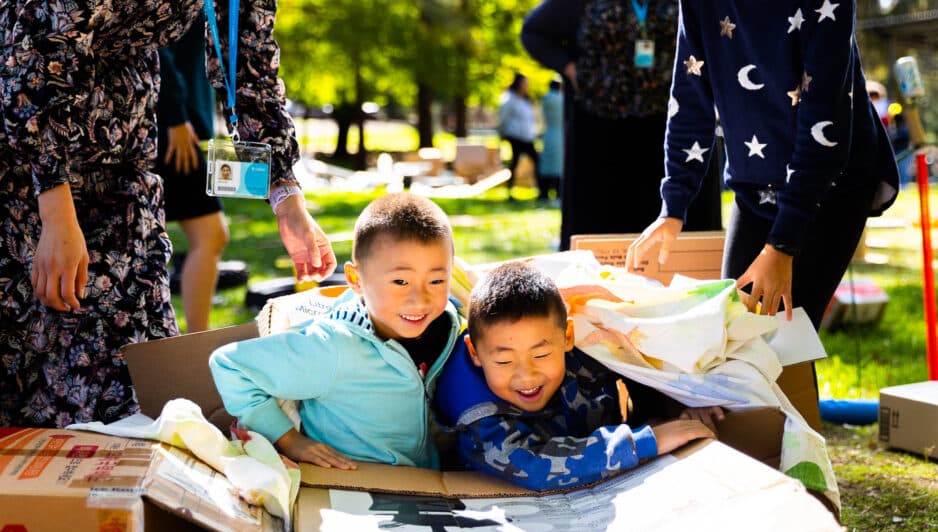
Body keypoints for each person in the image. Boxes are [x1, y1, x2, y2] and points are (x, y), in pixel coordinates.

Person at [0, 4, 336, 429]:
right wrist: (56, 211)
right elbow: (37, 50)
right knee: (20, 376)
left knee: (135, 386)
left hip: (124, 166)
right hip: (24, 167)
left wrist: (287, 199)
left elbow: (250, 62)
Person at [626, 1, 899, 330]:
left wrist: (783, 244)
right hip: (755, 188)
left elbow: (825, 121)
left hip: (828, 187)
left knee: (782, 342)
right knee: (734, 335)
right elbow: (689, 98)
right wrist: (673, 205)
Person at [210, 193, 460, 469]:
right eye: (400, 281)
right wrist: (289, 440)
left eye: (436, 280)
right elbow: (230, 364)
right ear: (355, 280)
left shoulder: (443, 325)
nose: (420, 299)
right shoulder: (332, 346)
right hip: (356, 488)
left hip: (426, 484)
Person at [435, 261, 717, 492]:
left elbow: (643, 364)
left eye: (541, 355)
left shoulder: (587, 352)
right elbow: (536, 466)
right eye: (504, 360)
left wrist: (683, 404)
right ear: (475, 352)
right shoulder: (479, 421)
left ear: (567, 336)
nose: (526, 374)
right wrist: (646, 440)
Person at [521, 0, 722, 250]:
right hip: (604, 136)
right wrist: (569, 68)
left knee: (680, 233)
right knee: (605, 233)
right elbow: (533, 32)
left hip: (673, 129)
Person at [156, 17, 230, 333]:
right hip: (166, 124)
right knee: (210, 234)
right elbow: (151, 39)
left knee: (209, 235)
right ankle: (194, 341)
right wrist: (173, 113)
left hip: (176, 121)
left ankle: (193, 340)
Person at [498, 73, 540, 200]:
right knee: (515, 163)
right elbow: (503, 117)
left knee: (537, 161)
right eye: (524, 83)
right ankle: (510, 191)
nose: (526, 86)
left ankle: (540, 190)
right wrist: (502, 133)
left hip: (527, 137)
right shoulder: (510, 98)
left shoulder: (526, 100)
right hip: (515, 136)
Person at [538, 79, 565, 203]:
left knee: (548, 165)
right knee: (557, 165)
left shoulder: (545, 99)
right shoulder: (561, 99)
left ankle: (545, 192)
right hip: (559, 134)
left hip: (549, 133)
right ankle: (557, 192)